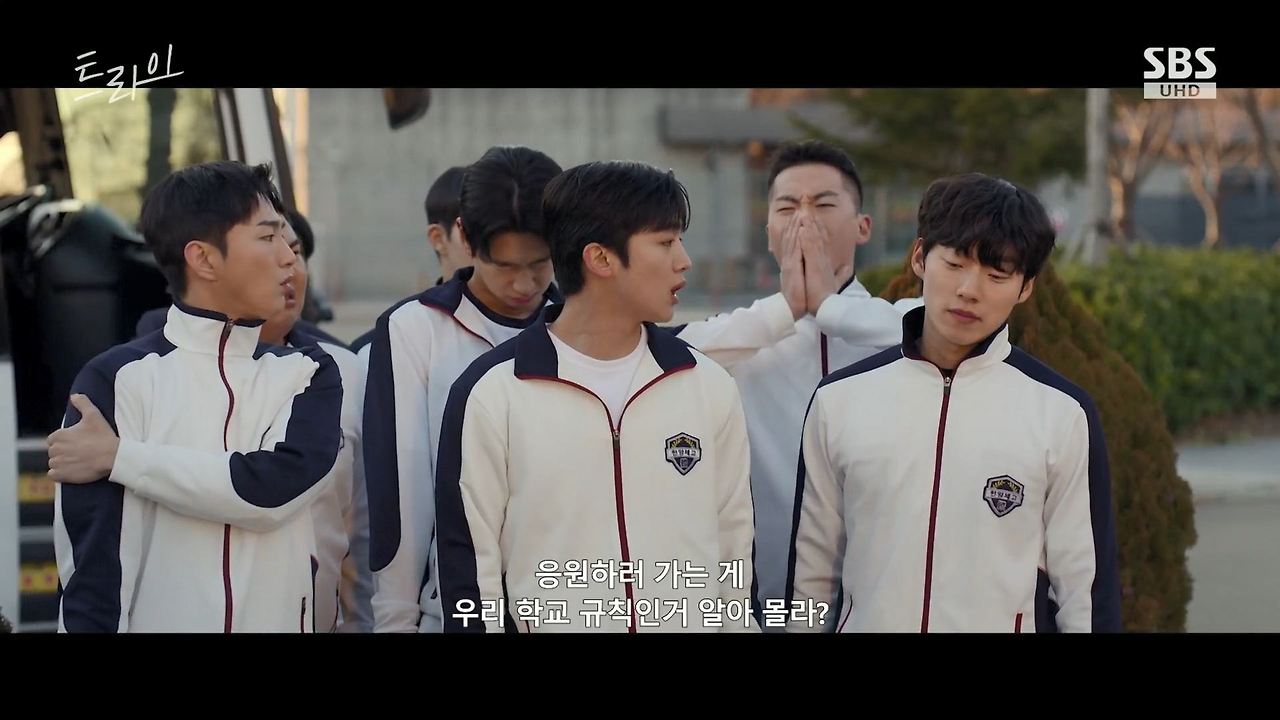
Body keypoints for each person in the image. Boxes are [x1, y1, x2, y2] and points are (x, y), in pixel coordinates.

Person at [786, 172, 1122, 633]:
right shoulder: (838, 400)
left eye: (997, 275)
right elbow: (812, 574)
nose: (970, 289)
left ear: (1025, 287)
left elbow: (1084, 590)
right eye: (955, 263)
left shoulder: (1061, 413)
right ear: (920, 257)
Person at [435, 160, 755, 633]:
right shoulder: (492, 394)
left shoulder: (707, 385)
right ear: (600, 259)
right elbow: (470, 574)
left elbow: (735, 553)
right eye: (665, 242)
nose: (684, 260)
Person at [48, 161, 343, 632]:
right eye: (268, 238)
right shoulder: (116, 380)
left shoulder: (308, 372)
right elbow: (95, 574)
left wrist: (121, 458)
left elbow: (271, 492)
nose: (289, 258)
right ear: (203, 259)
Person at [672, 140, 921, 619]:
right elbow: (665, 350)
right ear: (768, 231)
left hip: (882, 603)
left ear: (863, 226)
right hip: (759, 599)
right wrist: (785, 309)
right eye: (787, 208)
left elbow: (951, 329)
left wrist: (829, 307)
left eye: (823, 204)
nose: (804, 219)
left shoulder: (898, 326)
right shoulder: (744, 336)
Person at [363, 145, 564, 632]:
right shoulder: (415, 329)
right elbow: (401, 494)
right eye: (505, 265)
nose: (525, 284)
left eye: (541, 263)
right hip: (454, 611)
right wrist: (396, 621)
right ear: (465, 238)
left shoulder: (582, 329)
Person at [350, 166, 470, 354]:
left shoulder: (520, 333)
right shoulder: (388, 342)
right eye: (472, 230)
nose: (489, 244)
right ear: (438, 238)